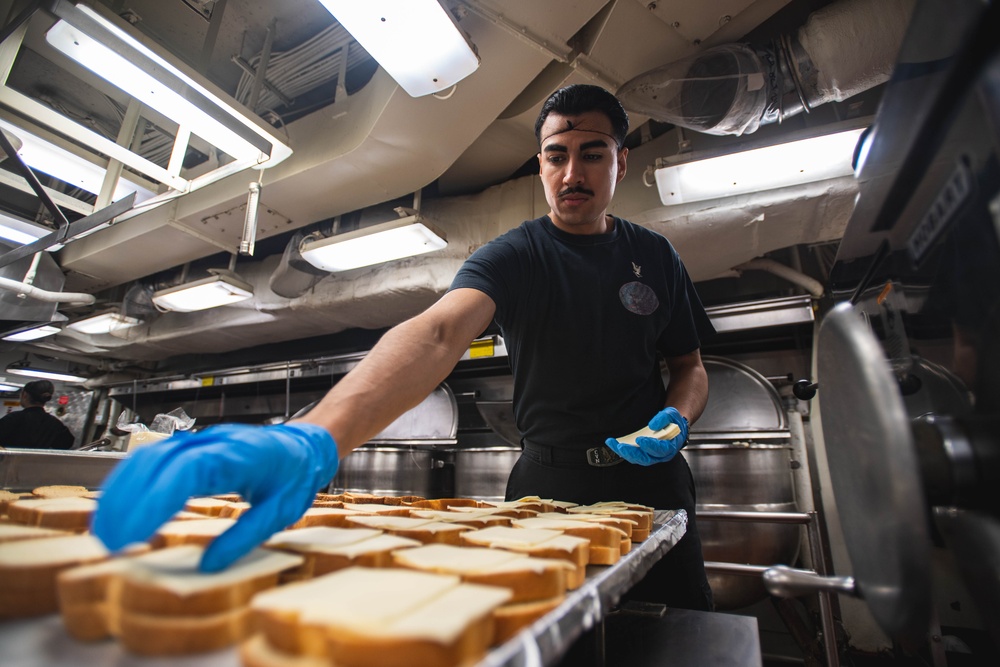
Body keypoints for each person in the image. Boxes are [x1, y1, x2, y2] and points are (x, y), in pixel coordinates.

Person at [93, 84, 714, 610]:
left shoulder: (654, 255)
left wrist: (677, 419)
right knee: (548, 635)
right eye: (556, 156)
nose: (572, 174)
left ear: (621, 162)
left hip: (652, 480)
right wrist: (318, 435)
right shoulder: (517, 255)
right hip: (545, 484)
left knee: (682, 630)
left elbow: (688, 365)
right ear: (541, 162)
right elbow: (437, 332)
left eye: (591, 154)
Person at [0, 379, 75, 449]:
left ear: (24, 395)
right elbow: (67, 444)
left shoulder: (13, 418)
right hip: (39, 462)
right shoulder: (55, 423)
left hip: (10, 462)